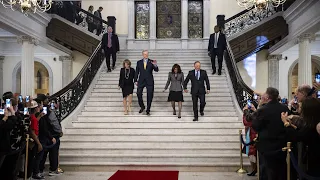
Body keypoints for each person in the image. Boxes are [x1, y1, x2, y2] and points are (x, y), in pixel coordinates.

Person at [252, 87, 289, 180]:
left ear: (267, 97)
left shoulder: (263, 109)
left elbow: (256, 125)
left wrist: (259, 106)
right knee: (280, 170)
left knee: (266, 171)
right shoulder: (284, 107)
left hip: (266, 145)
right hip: (281, 144)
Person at [281, 97, 320, 177]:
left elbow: (297, 136)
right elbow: (302, 133)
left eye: (302, 108)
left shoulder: (313, 125)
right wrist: (292, 125)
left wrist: (286, 123)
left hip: (315, 159)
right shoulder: (313, 122)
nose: (300, 110)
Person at [134, 50, 159, 116]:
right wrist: (135, 80)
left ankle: (148, 109)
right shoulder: (139, 62)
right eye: (145, 54)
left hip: (149, 81)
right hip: (141, 81)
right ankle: (142, 106)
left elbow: (156, 70)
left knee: (150, 95)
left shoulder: (151, 61)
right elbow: (137, 72)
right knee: (139, 93)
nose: (146, 55)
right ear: (142, 54)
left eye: (147, 54)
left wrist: (155, 65)